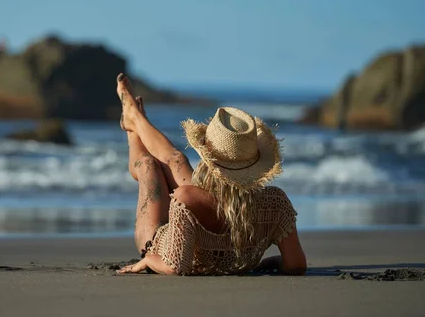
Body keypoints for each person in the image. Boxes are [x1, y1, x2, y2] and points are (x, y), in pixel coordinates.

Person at [115, 73, 307, 276]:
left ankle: (132, 130)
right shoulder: (276, 203)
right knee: (177, 159)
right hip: (210, 211)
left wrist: (148, 260)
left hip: (159, 244)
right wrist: (270, 261)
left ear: (208, 159)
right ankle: (134, 119)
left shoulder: (187, 197)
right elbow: (296, 264)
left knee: (148, 164)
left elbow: (175, 265)